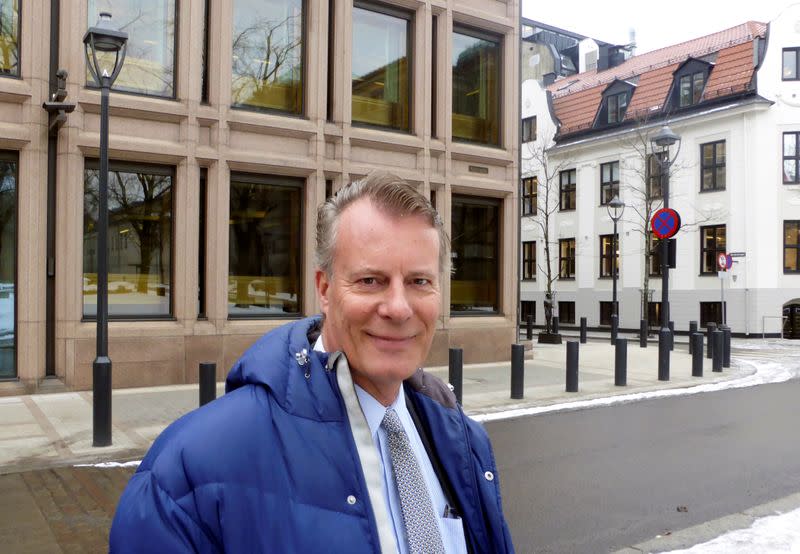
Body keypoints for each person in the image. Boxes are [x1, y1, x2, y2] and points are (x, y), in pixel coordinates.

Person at [110, 172, 514, 553]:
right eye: (370, 280)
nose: (397, 307)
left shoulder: (462, 441)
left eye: (419, 281)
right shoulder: (190, 469)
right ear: (324, 288)